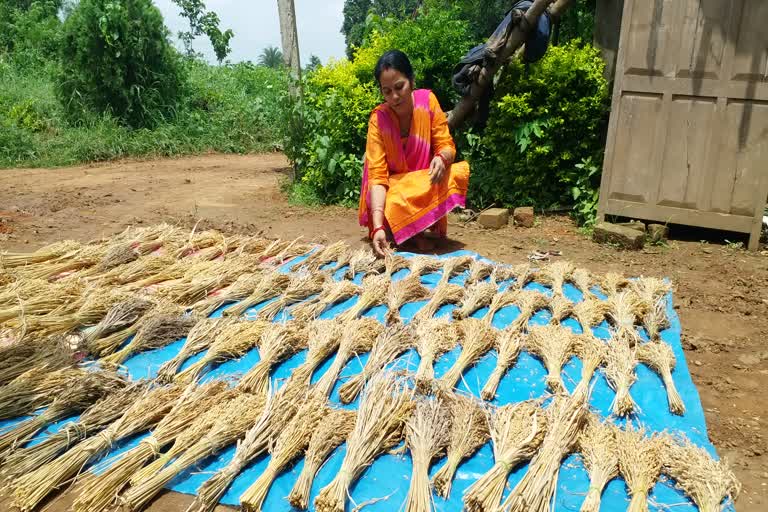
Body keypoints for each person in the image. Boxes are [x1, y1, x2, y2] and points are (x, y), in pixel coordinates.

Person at [358, 50, 470, 257]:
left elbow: (446, 144)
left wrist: (442, 158)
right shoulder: (378, 120)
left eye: (400, 86)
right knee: (390, 201)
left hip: (421, 184)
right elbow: (377, 177)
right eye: (387, 91)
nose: (394, 96)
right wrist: (377, 226)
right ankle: (404, 231)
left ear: (412, 80)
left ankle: (414, 229)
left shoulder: (428, 102)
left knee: (454, 173)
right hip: (393, 191)